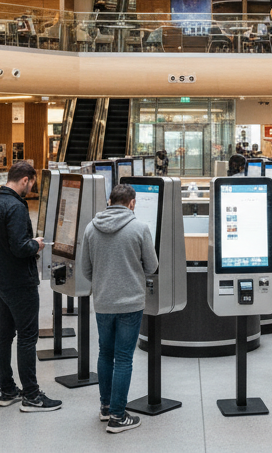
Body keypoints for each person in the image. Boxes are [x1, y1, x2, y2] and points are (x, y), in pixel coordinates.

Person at [0, 161, 61, 412]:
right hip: (19, 281)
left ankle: (7, 390)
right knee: (27, 336)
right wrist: (36, 244)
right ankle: (32, 396)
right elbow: (19, 246)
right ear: (25, 179)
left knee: (4, 333)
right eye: (31, 184)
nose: (31, 189)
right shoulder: (15, 207)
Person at [78, 184, 158, 434]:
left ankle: (105, 407)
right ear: (132, 203)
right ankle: (118, 416)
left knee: (105, 353)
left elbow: (85, 269)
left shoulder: (91, 228)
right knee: (124, 358)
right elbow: (152, 266)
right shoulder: (140, 228)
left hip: (103, 302)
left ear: (110, 202)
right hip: (130, 303)